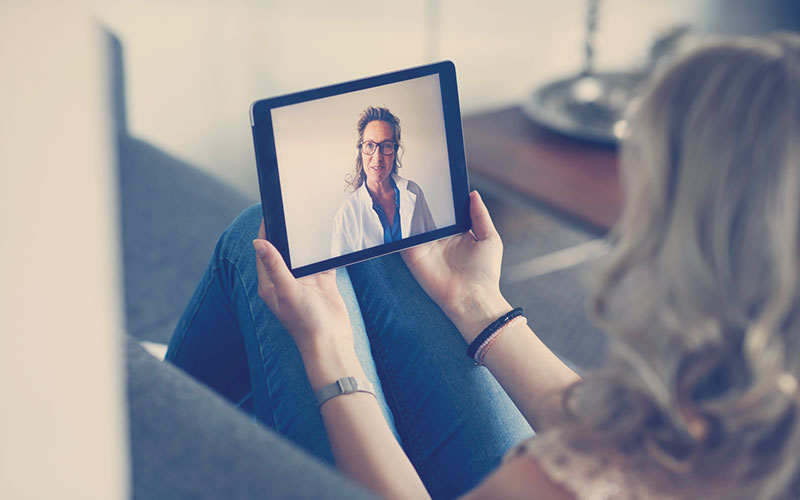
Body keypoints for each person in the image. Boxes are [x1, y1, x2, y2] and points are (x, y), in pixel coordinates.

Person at [167, 33, 800, 500]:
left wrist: (330, 357)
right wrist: (479, 306)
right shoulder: (754, 399)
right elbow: (634, 435)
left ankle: (144, 436)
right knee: (374, 259)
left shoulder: (573, 481)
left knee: (251, 244)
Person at [331, 107, 437, 257]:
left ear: (394, 152)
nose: (377, 157)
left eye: (386, 145)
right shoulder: (346, 214)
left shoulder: (413, 192)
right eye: (370, 145)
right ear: (361, 151)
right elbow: (340, 273)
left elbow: (436, 246)